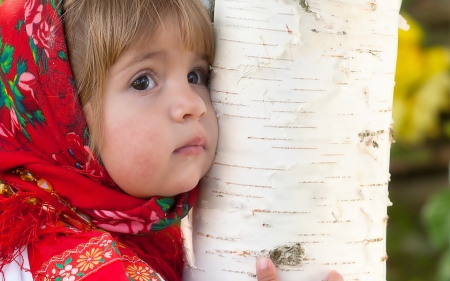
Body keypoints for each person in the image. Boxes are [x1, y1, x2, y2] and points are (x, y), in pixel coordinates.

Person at [0, 0, 344, 280]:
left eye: (196, 75)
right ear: (60, 111)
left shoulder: (136, 232)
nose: (193, 105)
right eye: (143, 82)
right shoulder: (81, 266)